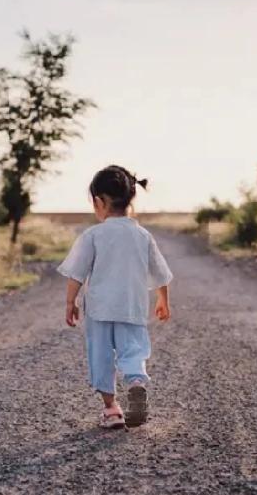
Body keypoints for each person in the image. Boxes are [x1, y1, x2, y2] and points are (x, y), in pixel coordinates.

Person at [58, 165, 174, 429]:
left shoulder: (93, 235)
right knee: (133, 350)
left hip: (99, 309)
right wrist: (163, 300)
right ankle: (135, 383)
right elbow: (159, 273)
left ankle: (111, 409)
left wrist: (70, 302)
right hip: (131, 306)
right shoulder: (142, 235)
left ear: (99, 202)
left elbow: (77, 272)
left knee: (100, 356)